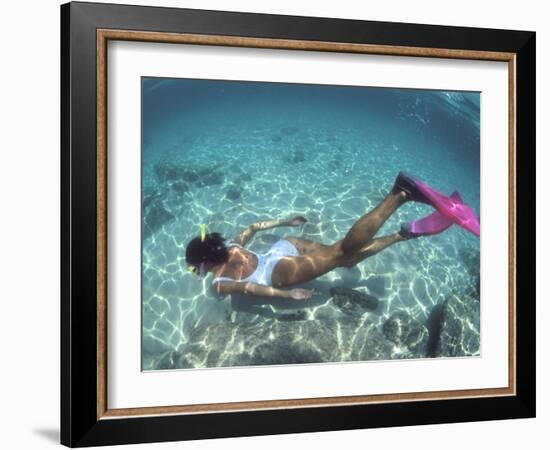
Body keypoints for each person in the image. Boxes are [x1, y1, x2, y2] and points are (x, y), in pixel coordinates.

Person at [185, 172, 480, 301]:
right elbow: (254, 226)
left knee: (341, 252)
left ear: (204, 263)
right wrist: (287, 221)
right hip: (283, 247)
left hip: (277, 272)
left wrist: (286, 294)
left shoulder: (220, 285)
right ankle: (402, 235)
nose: (198, 273)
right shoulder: (234, 244)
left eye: (196, 269)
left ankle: (400, 195)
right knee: (346, 260)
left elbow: (252, 291)